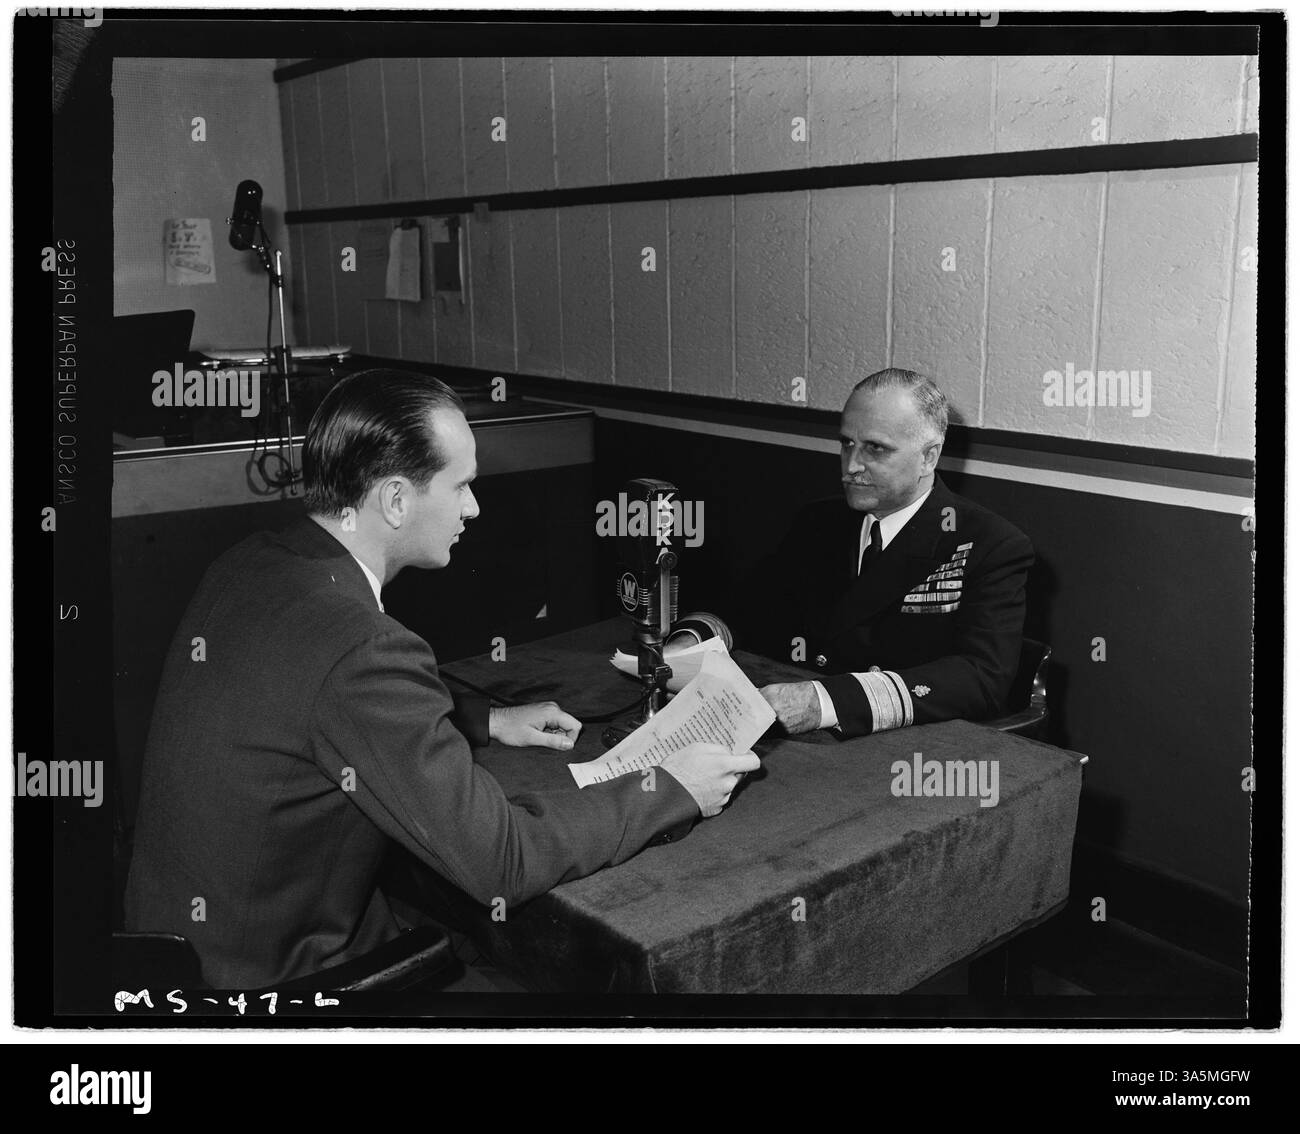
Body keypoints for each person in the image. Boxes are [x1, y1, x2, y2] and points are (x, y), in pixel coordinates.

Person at [125, 369, 757, 988]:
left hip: (180, 950)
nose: (474, 508)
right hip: (274, 984)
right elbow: (501, 861)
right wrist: (671, 789)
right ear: (397, 499)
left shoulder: (253, 563)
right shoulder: (364, 647)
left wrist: (483, 719)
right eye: (461, 487)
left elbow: (305, 700)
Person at [744, 368, 1034, 738]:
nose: (851, 467)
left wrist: (828, 700)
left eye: (875, 449)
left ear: (929, 457)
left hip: (904, 747)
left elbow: (982, 678)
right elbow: (754, 608)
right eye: (847, 444)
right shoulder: (817, 521)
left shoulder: (990, 544)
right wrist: (694, 639)